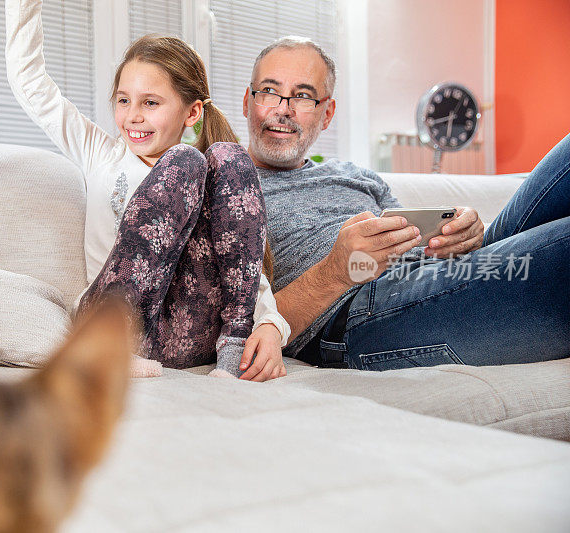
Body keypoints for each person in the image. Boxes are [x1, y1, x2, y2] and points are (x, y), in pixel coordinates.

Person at [240, 36, 570, 371]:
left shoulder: (355, 175)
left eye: (303, 96)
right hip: (356, 313)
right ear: (246, 102)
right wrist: (336, 272)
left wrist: (463, 236)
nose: (283, 109)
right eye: (268, 91)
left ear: (327, 114)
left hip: (443, 274)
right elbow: (229, 322)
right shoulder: (224, 187)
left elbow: (420, 244)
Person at [4, 0, 291, 379]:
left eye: (151, 103)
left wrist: (271, 327)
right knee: (185, 161)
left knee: (226, 157)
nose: (133, 116)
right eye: (124, 101)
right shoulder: (100, 154)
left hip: (189, 334)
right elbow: (30, 84)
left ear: (191, 113)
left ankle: (233, 348)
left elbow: (242, 259)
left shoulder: (210, 170)